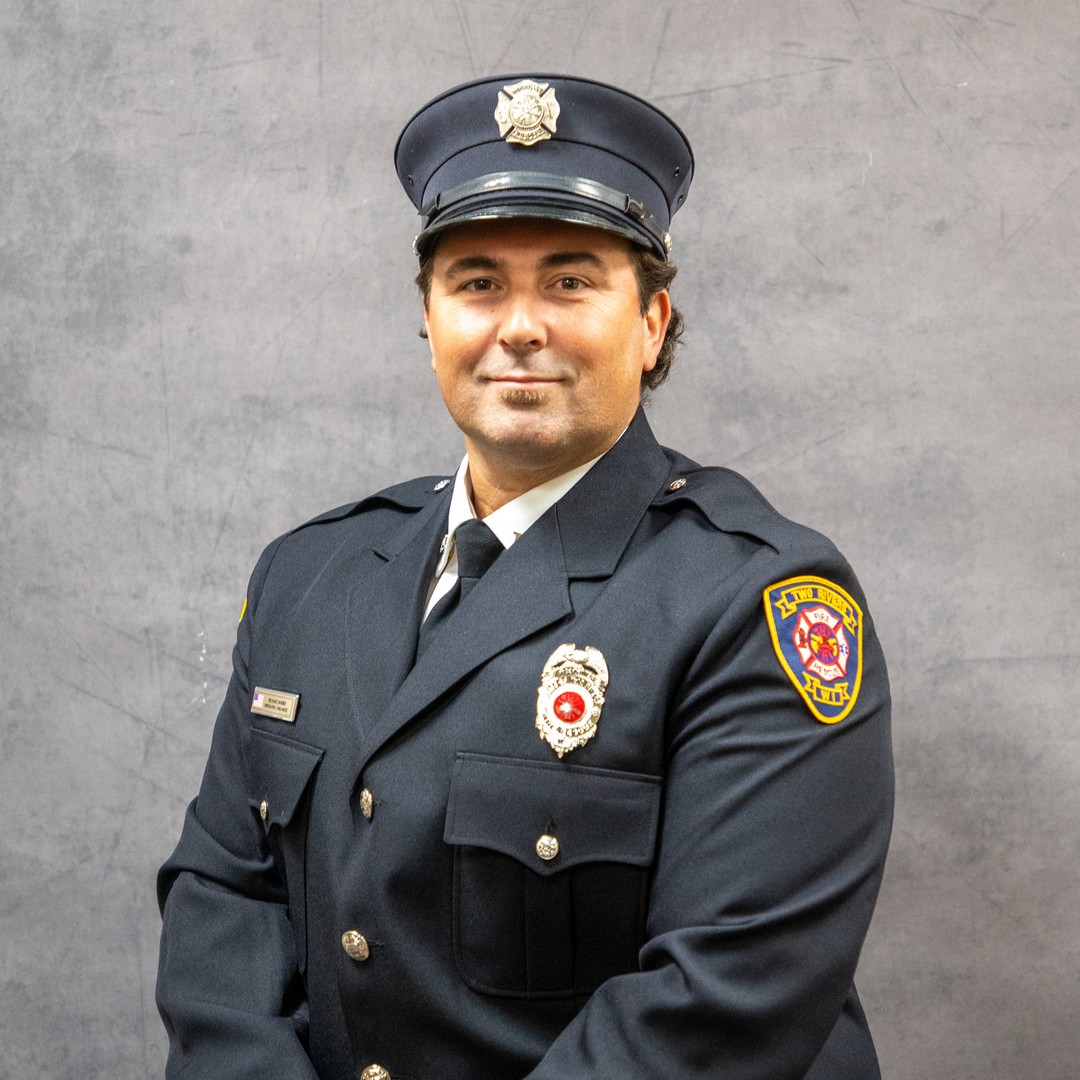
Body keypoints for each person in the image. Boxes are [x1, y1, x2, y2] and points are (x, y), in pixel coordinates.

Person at [156, 74, 893, 1080]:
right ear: (429, 318)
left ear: (653, 322)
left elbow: (722, 998)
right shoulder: (307, 575)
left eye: (570, 282)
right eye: (477, 284)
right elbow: (223, 903)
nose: (520, 326)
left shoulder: (755, 602)